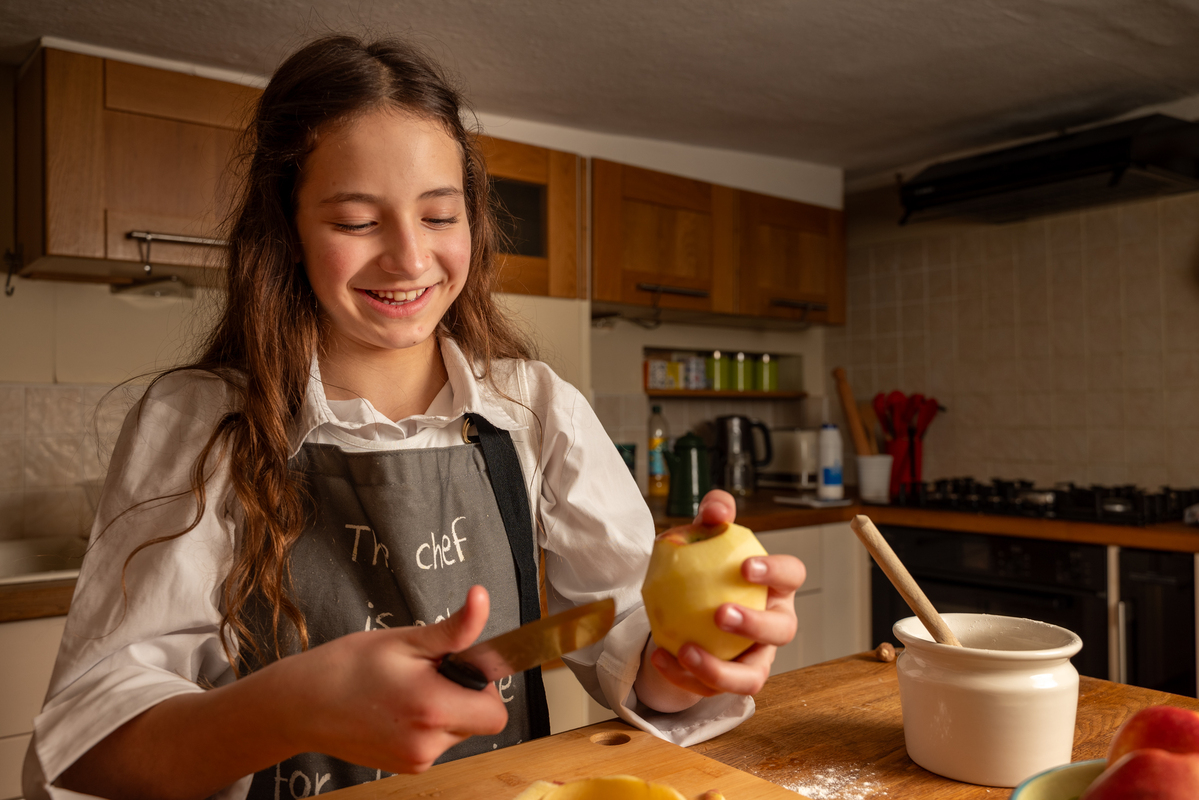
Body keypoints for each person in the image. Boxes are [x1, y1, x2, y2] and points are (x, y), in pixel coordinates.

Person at [23, 34, 806, 800]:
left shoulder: (534, 408)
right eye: (357, 222)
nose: (408, 258)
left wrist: (678, 666)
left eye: (439, 215)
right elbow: (88, 749)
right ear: (287, 231)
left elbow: (627, 630)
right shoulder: (198, 420)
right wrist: (287, 707)